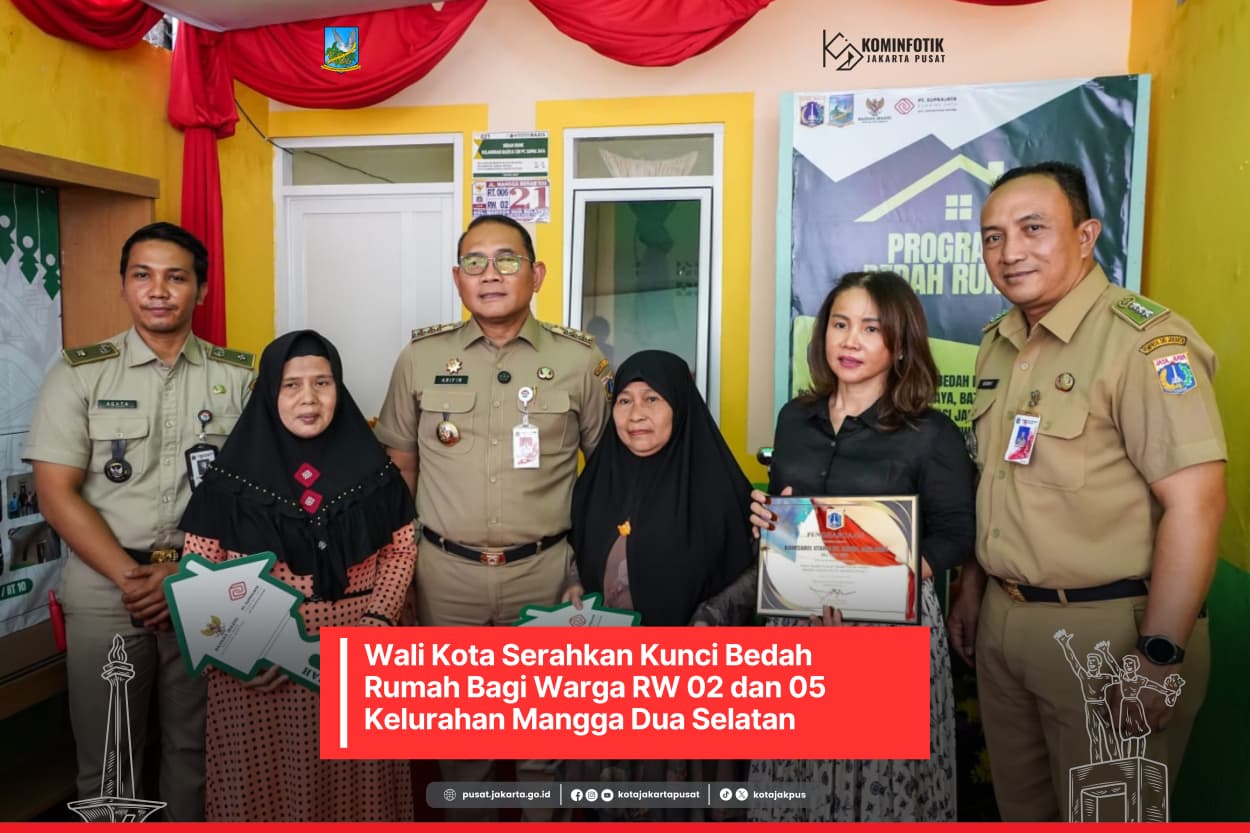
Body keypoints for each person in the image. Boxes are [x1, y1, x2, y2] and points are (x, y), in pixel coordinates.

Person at [946, 161, 1226, 820]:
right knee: (1023, 812)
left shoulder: (1145, 343)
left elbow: (1197, 503)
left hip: (1111, 636)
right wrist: (973, 587)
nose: (1009, 251)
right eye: (992, 236)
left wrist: (1159, 655)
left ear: (1085, 235)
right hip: (1005, 625)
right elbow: (999, 479)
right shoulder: (999, 343)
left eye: (1033, 228)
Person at [374, 214, 612, 815]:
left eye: (507, 260)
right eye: (474, 263)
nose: (490, 274)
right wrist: (402, 573)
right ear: (457, 279)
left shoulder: (579, 361)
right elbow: (400, 468)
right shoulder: (420, 358)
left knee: (545, 746)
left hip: (548, 574)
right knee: (462, 747)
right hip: (445, 578)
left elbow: (609, 478)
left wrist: (587, 569)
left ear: (537, 274)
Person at [24, 222, 255, 820]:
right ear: (124, 285)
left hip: (206, 582)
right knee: (108, 756)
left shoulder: (241, 377)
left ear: (201, 290)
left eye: (176, 277)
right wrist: (132, 578)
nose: (158, 290)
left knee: (198, 749)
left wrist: (185, 574)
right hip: (106, 587)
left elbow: (257, 497)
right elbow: (55, 493)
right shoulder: (81, 372)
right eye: (142, 275)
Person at [748, 271, 976, 821]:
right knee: (798, 779)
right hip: (798, 624)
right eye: (840, 324)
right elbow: (787, 511)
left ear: (900, 343)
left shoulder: (930, 432)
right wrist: (766, 521)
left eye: (871, 329)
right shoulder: (794, 418)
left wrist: (879, 585)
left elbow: (956, 533)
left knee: (879, 789)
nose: (850, 341)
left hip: (886, 629)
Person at [179, 330, 416, 821]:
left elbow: (401, 549)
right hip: (259, 669)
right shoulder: (228, 480)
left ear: (338, 388)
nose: (309, 398)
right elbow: (198, 570)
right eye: (291, 385)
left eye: (322, 383)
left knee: (358, 791)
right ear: (269, 391)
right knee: (264, 791)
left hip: (356, 655)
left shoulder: (375, 471)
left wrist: (376, 622)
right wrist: (241, 648)